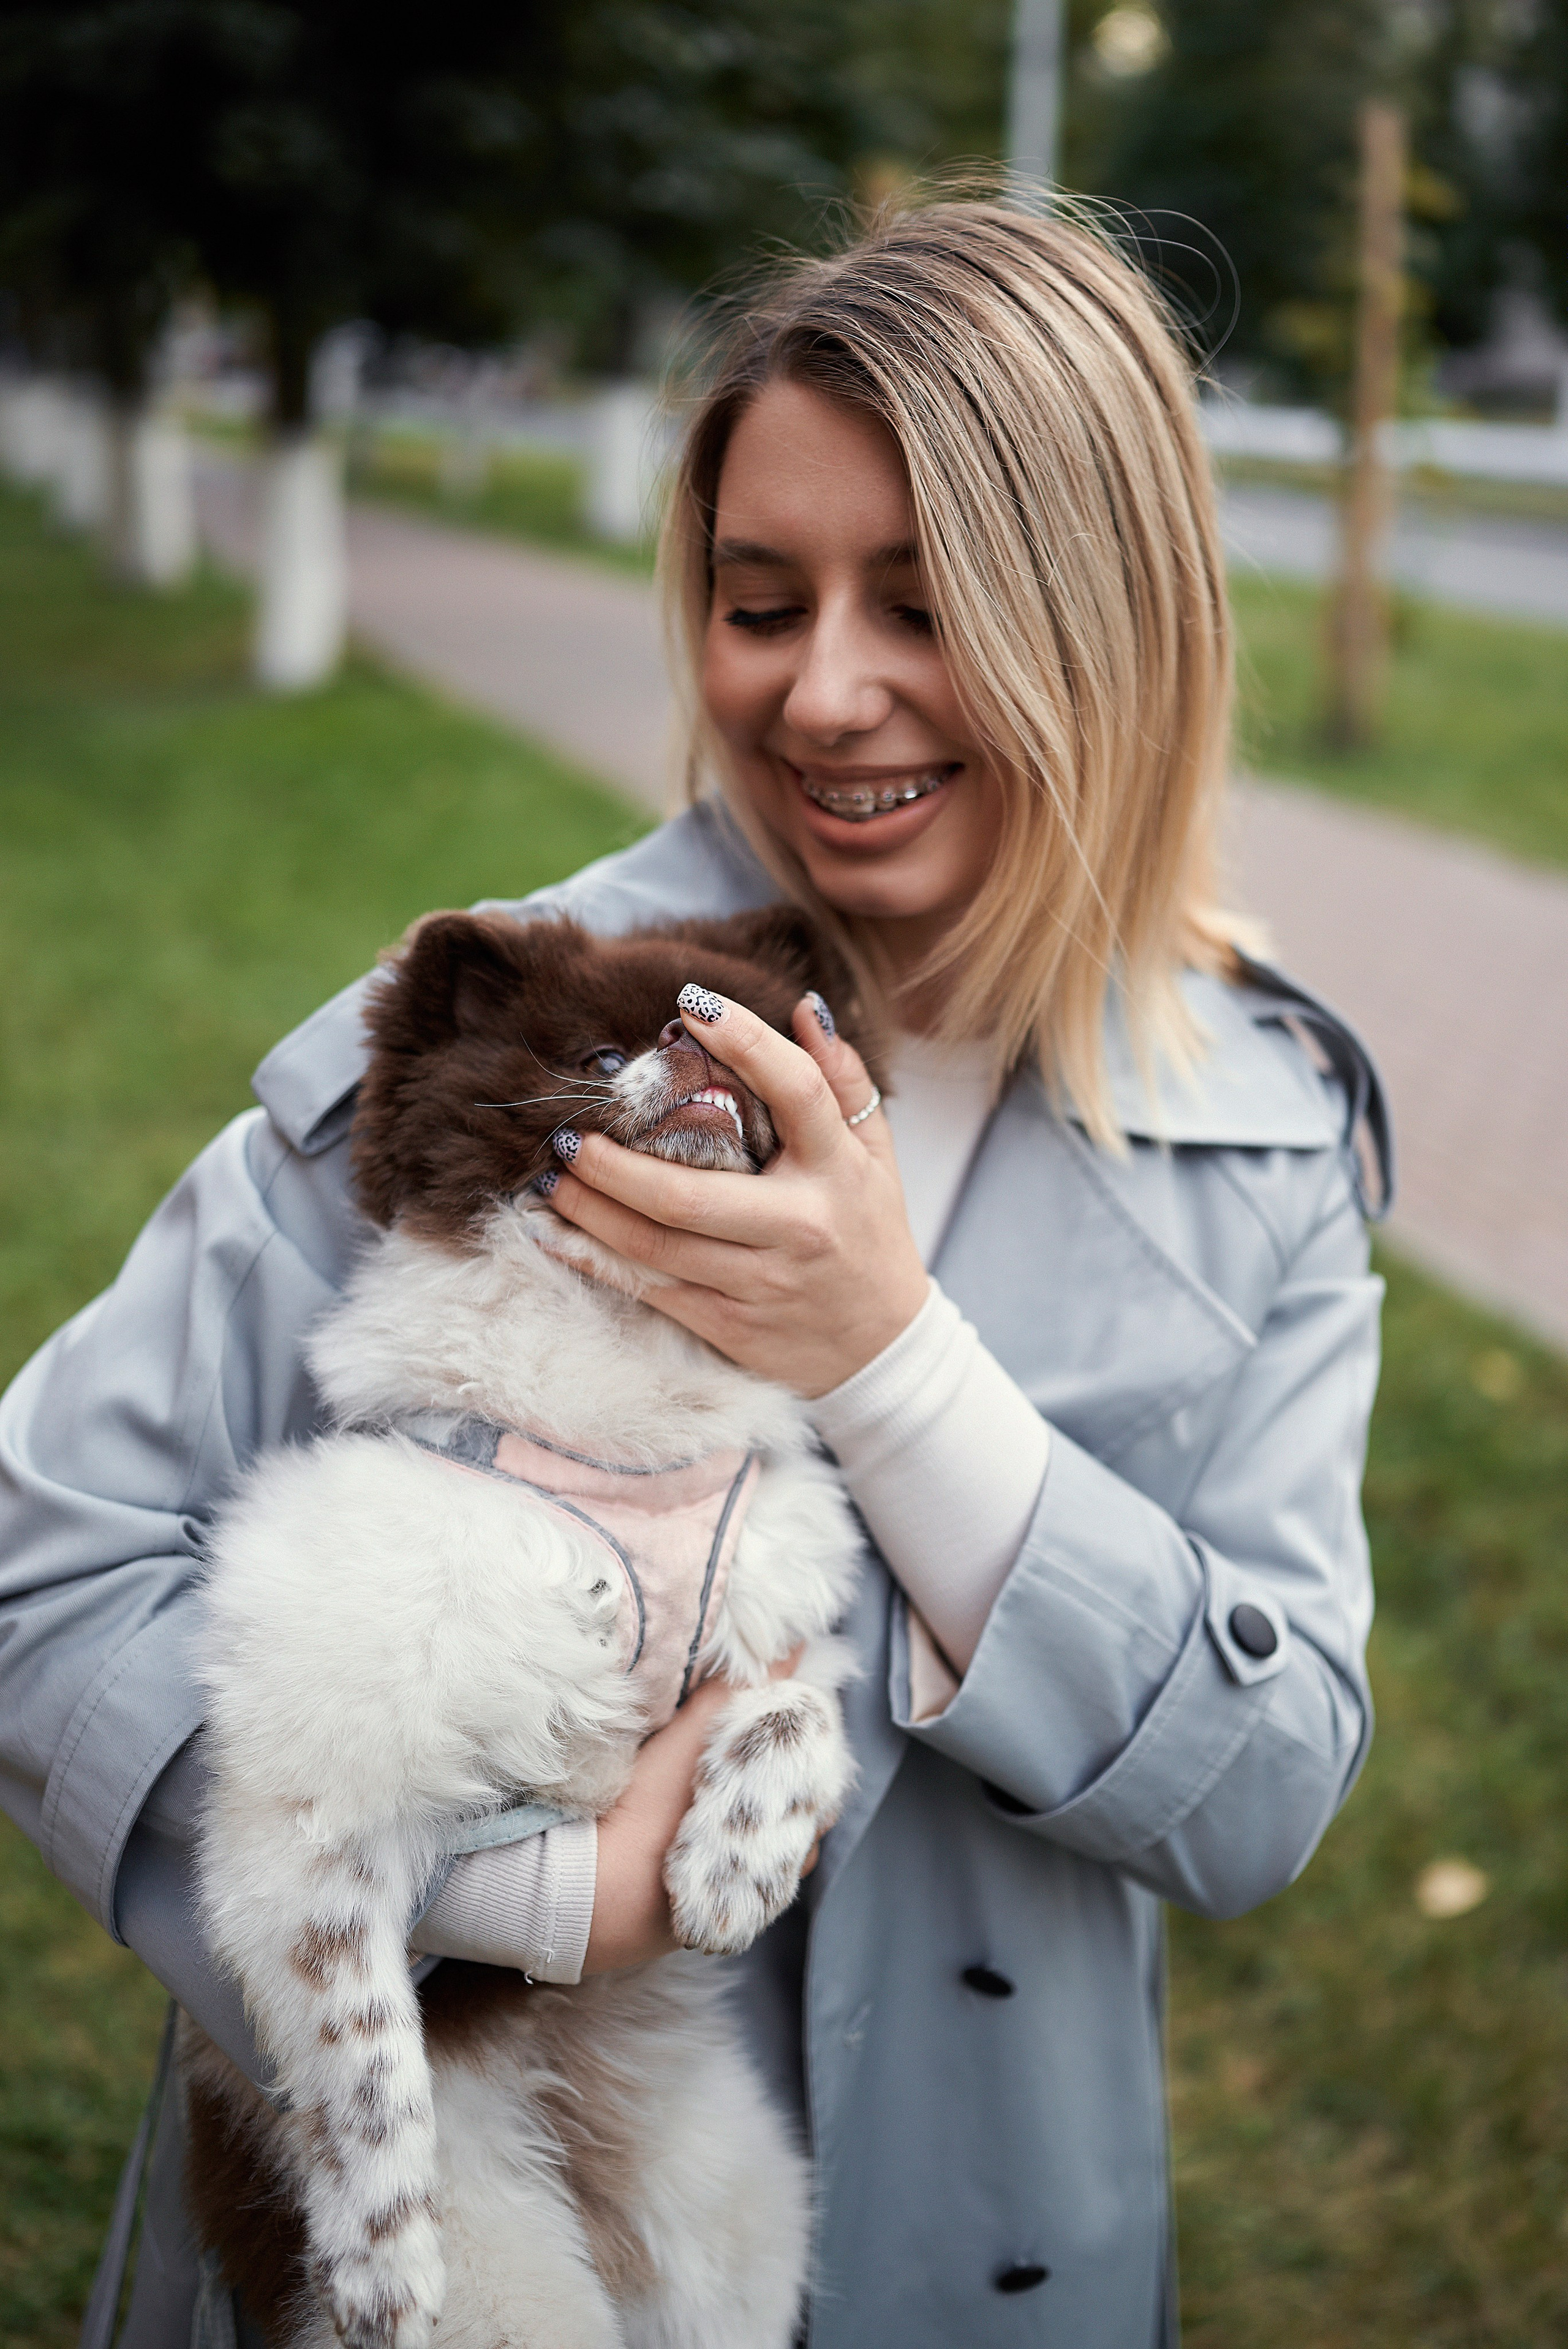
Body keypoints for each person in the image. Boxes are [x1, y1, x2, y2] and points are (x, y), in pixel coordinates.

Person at [0, 198, 1389, 2349]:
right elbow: (40, 1554)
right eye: (761, 600)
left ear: (1117, 623)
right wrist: (523, 1903)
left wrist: (893, 1363)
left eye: (928, 605)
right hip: (421, 2250)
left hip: (982, 2263)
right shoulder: (488, 1031)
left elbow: (1266, 1783)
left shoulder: (1278, 1143)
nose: (824, 694)